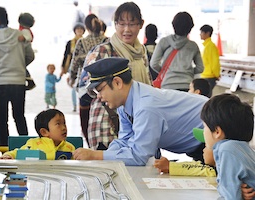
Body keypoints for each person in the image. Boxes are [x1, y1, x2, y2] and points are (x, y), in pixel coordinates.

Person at [73, 57, 208, 166]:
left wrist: (96, 155)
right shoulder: (124, 104)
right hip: (198, 142)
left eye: (100, 89)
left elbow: (139, 155)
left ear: (118, 83)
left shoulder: (145, 106)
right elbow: (125, 140)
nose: (99, 96)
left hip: (213, 132)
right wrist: (106, 156)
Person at [83, 2, 152, 150]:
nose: (126, 30)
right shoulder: (103, 50)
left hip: (138, 121)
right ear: (115, 25)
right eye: (122, 24)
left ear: (141, 24)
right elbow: (87, 86)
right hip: (107, 120)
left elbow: (148, 87)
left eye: (132, 24)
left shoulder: (141, 53)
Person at [0, 6, 35, 146]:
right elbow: (30, 55)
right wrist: (19, 65)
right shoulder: (18, 35)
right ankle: (27, 148)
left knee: (1, 120)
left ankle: (4, 153)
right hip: (18, 83)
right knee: (19, 117)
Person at [201, 94, 255, 199]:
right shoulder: (243, 149)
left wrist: (233, 191)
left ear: (217, 131)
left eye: (204, 127)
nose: (204, 132)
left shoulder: (227, 149)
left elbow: (230, 197)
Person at [69, 13, 108, 147]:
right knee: (105, 118)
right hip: (104, 87)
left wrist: (72, 77)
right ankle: (103, 146)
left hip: (85, 86)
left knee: (85, 118)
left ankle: (90, 145)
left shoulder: (81, 42)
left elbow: (75, 63)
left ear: (86, 27)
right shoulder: (107, 41)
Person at [150, 12, 203, 91]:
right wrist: (188, 72)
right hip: (187, 85)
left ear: (173, 25)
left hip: (167, 85)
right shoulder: (193, 46)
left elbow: (153, 64)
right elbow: (200, 68)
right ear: (190, 28)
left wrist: (166, 71)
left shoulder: (164, 41)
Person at [0, 109, 75, 160]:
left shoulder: (69, 147)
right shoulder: (34, 144)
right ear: (44, 132)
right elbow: (18, 153)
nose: (64, 128)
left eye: (64, 123)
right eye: (58, 124)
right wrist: (8, 156)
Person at [61, 22, 85, 112]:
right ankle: (75, 105)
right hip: (72, 67)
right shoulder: (70, 42)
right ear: (74, 31)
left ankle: (81, 103)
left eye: (81, 30)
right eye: (77, 30)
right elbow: (66, 55)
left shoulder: (85, 42)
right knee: (73, 86)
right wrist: (63, 67)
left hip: (83, 67)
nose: (79, 31)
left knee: (80, 86)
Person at [200, 24, 221, 96]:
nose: (200, 34)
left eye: (202, 32)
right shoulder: (207, 46)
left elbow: (215, 63)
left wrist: (216, 74)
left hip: (209, 76)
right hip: (206, 75)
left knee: (205, 97)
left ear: (208, 33)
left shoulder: (211, 46)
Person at [18, 12, 36, 91]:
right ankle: (28, 80)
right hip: (28, 54)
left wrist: (23, 38)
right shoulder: (26, 29)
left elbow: (28, 37)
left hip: (27, 54)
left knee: (20, 65)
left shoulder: (25, 30)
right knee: (21, 66)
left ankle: (30, 81)